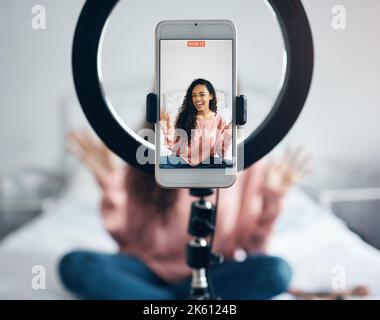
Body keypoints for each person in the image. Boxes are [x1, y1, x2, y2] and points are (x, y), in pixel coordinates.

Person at [59, 129, 311, 300]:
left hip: (214, 273)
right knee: (76, 265)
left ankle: (159, 303)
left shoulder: (247, 162)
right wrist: (112, 184)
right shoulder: (144, 154)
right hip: (146, 270)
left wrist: (272, 199)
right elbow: (127, 240)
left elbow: (254, 249)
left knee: (276, 272)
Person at [160, 79, 232, 168]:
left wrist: (228, 134)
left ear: (211, 96)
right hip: (182, 161)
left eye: (202, 95)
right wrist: (167, 128)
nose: (197, 99)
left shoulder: (220, 121)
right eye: (194, 96)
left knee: (229, 166)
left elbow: (222, 153)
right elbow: (176, 147)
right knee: (158, 163)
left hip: (207, 163)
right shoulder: (184, 117)